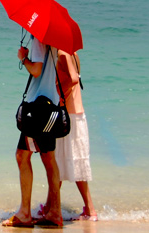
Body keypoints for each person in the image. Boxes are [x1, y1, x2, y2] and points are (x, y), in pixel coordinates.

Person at [3, 35, 64, 228]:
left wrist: (23, 58)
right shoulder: (55, 42)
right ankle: (55, 212)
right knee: (49, 159)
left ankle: (25, 213)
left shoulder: (39, 40)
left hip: (37, 109)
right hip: (51, 106)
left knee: (22, 156)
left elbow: (36, 70)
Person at [53, 50, 97, 221]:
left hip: (69, 114)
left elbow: (73, 79)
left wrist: (58, 90)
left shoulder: (63, 53)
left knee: (57, 163)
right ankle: (89, 209)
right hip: (76, 114)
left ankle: (52, 207)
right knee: (73, 164)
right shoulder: (73, 53)